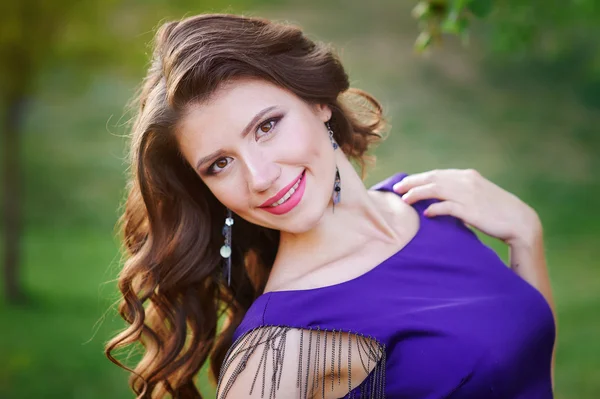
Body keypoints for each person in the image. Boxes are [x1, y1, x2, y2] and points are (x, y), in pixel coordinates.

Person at [105, 12, 557, 399]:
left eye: (266, 126)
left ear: (318, 100)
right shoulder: (279, 347)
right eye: (220, 164)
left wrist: (526, 235)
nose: (260, 177)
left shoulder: (426, 206)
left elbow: (527, 368)